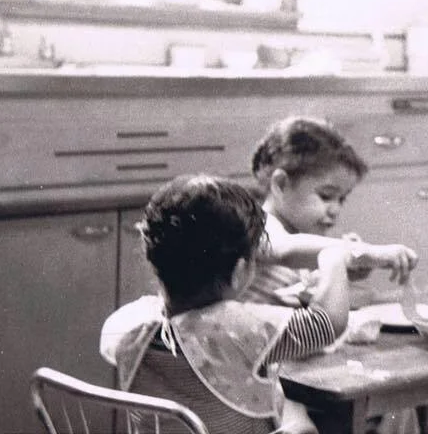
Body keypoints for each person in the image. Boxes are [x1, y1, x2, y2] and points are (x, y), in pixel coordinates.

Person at [100, 174, 350, 434]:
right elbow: (326, 323)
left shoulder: (126, 323)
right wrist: (334, 258)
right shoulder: (238, 329)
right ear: (239, 272)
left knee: (294, 413)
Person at [241, 115, 419, 306]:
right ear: (281, 184)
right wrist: (363, 252)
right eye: (326, 196)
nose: (335, 209)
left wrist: (340, 268)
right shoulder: (258, 222)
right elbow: (285, 250)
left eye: (341, 199)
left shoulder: (300, 233)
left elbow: (299, 289)